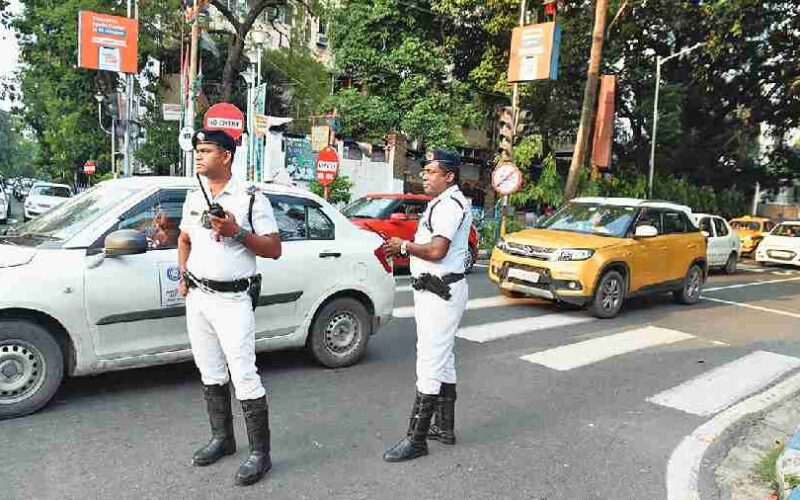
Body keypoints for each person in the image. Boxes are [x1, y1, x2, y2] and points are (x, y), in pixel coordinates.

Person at [177, 128, 282, 486]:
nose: (199, 155)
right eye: (198, 150)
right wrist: (183, 273)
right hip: (199, 298)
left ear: (226, 156)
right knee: (209, 371)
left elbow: (273, 248)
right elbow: (185, 237)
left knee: (243, 374)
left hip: (233, 299)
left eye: (206, 150)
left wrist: (237, 231)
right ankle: (222, 438)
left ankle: (260, 454)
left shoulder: (251, 197)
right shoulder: (195, 193)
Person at [381, 148, 472, 462]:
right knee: (443, 360)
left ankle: (416, 439)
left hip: (439, 293)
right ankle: (444, 428)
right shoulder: (444, 202)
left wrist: (403, 245)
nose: (424, 175)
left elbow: (437, 251)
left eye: (431, 171)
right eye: (425, 171)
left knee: (430, 363)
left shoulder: (449, 205)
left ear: (449, 176)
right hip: (437, 291)